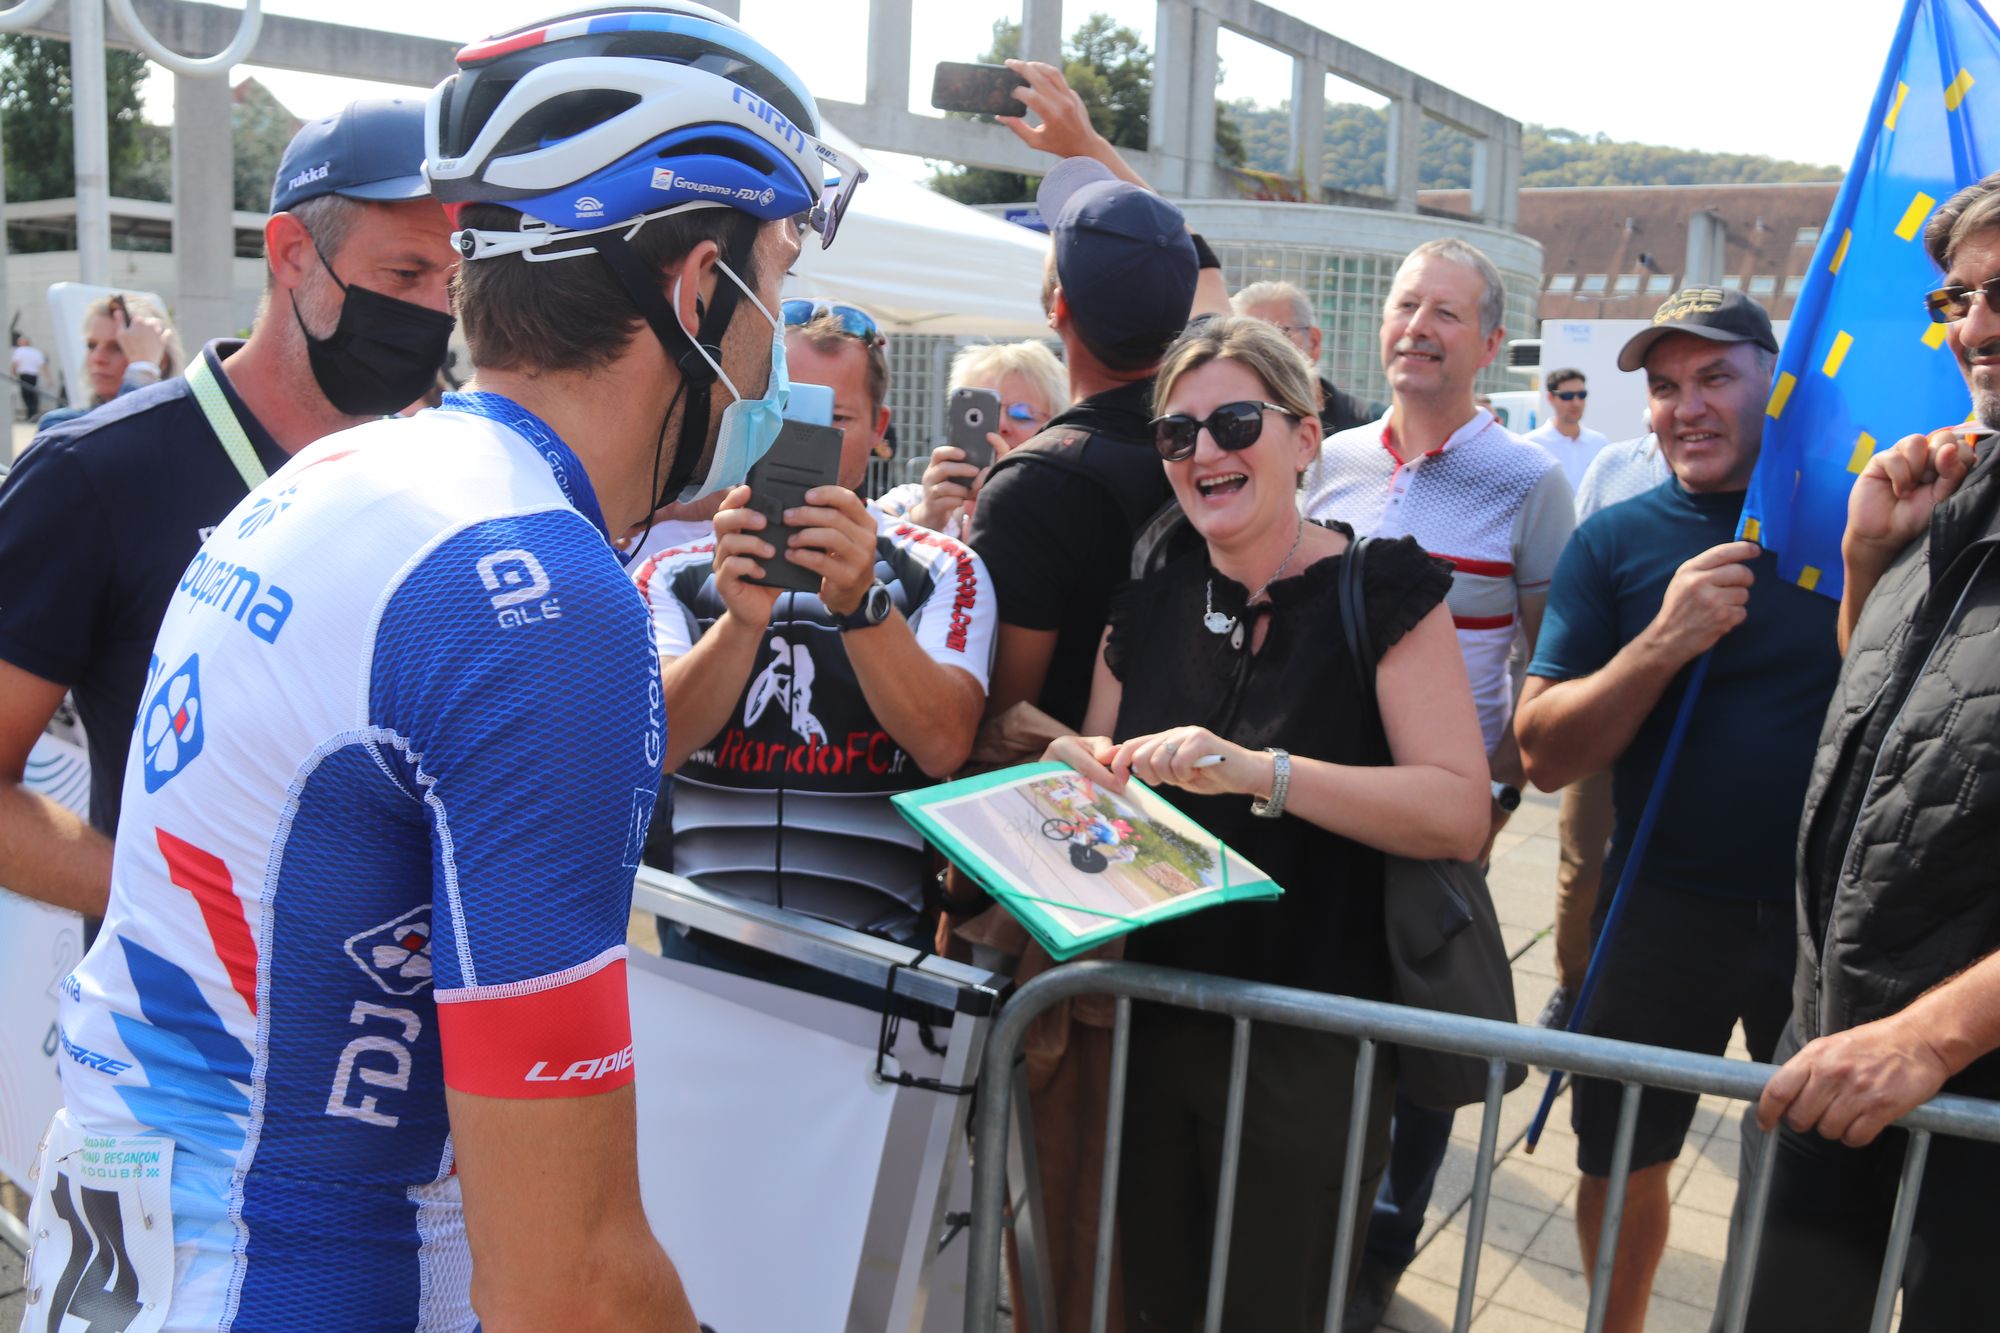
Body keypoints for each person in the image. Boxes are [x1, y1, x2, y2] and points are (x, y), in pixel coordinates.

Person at [26, 7, 866, 1325]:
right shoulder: (537, 594)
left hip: (136, 1252)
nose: (778, 337)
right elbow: (564, 1281)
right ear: (700, 289)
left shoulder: (355, 472)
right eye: (779, 275)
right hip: (301, 1279)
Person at [1045, 315, 1487, 1330]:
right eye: (1177, 433)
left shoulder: (1381, 587)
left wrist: (1260, 774)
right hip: (1152, 1017)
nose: (1204, 449)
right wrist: (1075, 771)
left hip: (1312, 1039)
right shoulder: (1147, 601)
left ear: (1303, 436)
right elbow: (1100, 788)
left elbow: (1458, 810)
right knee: (1155, 1308)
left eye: (1235, 422)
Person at [0, 98, 454, 921]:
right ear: (291, 253)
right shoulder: (92, 473)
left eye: (456, 284)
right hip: (178, 1001)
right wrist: (189, 914)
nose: (436, 314)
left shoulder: (439, 475)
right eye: (405, 274)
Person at [1513, 288, 1839, 1333]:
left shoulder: (1853, 521)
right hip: (1659, 901)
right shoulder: (1614, 541)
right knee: (1619, 1153)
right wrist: (1663, 640)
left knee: (1812, 1173)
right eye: (1663, 387)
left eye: (1714, 378)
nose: (1684, 407)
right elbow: (1542, 751)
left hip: (1822, 917)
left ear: (1773, 383)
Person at [1730, 170, 2000, 1331]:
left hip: (1964, 1096)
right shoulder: (1948, 481)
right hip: (1832, 1053)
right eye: (1957, 299)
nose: (1973, 328)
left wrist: (1927, 1038)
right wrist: (1864, 561)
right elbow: (1894, 720)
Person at [1303, 237, 1573, 1331]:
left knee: (1426, 1041)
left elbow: (1547, 663)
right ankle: (1310, 1228)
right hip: (1316, 801)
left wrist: (1493, 799)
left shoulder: (1529, 481)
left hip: (1436, 822)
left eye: (1446, 313)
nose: (1417, 327)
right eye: (1405, 305)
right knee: (1319, 1022)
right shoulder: (1328, 458)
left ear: (1490, 342)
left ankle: (1381, 1248)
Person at [632, 300, 995, 954]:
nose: (802, 439)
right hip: (701, 946)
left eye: (835, 418)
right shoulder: (670, 571)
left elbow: (944, 744)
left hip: (876, 958)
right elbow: (656, 746)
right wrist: (740, 623)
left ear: (880, 428)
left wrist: (862, 603)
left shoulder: (943, 566)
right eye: (782, 410)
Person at [969, 56, 1228, 732]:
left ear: (1058, 310)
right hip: (1218, 768)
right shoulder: (1236, 435)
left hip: (1080, 790)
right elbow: (1200, 271)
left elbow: (1000, 719)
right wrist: (1087, 146)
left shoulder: (1033, 486)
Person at [1539, 425, 1672, 1031]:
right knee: (1583, 862)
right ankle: (1574, 987)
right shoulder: (1616, 467)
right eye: (1665, 384)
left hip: (1702, 715)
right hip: (1608, 702)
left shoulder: (1765, 472)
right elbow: (1577, 581)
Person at [877, 338, 1069, 539]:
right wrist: (925, 519)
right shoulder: (909, 501)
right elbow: (872, 551)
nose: (1001, 424)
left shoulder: (1067, 515)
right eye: (982, 413)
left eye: (1022, 413)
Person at [1232, 278, 1382, 434]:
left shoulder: (1372, 427)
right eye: (1244, 343)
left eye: (1274, 337)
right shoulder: (1230, 428)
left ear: (1313, 342)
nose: (1257, 354)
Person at [35, 293, 184, 432]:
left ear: (161, 360)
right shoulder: (62, 425)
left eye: (118, 347)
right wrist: (141, 372)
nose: (98, 358)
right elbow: (117, 443)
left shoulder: (186, 427)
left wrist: (143, 369)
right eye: (91, 346)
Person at [1526, 366, 1612, 498]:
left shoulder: (1600, 444)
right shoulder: (1532, 445)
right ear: (1550, 398)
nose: (1576, 402)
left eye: (1581, 395)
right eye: (1567, 396)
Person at [11, 331, 45, 419]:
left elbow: (15, 364)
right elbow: (42, 365)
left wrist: (13, 374)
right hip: (34, 376)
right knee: (33, 394)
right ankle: (33, 412)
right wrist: (48, 378)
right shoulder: (36, 351)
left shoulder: (19, 351)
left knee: (26, 395)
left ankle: (31, 413)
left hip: (24, 376)